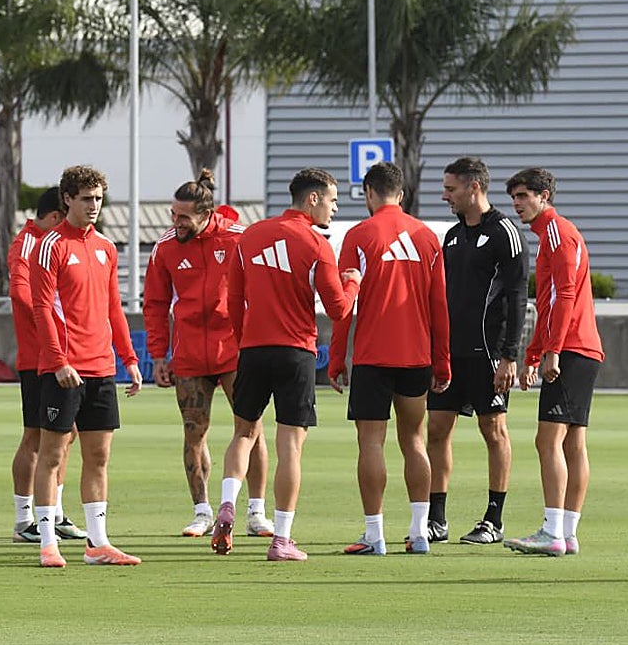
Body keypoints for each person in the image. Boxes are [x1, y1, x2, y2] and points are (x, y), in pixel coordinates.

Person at [213, 168, 361, 561]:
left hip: (254, 349)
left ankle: (227, 503)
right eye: (331, 200)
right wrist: (353, 282)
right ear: (312, 199)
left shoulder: (250, 237)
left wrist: (246, 339)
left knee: (244, 432)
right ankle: (281, 538)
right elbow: (339, 309)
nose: (334, 208)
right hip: (295, 350)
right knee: (290, 446)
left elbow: (233, 298)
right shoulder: (315, 244)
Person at [143, 169, 274, 539]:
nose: (176, 222)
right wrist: (157, 355)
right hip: (188, 356)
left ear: (206, 214)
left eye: (183, 216)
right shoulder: (166, 246)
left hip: (235, 353)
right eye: (173, 214)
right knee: (193, 433)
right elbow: (154, 304)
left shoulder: (238, 239)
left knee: (251, 431)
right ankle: (201, 511)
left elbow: (261, 291)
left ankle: (255, 512)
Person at [329, 161, 451, 556]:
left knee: (371, 443)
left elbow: (344, 304)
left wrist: (336, 357)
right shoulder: (428, 237)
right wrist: (442, 359)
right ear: (402, 194)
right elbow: (440, 306)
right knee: (415, 441)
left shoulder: (358, 236)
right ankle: (419, 533)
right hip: (416, 355)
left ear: (368, 193)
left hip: (372, 356)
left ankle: (374, 534)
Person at [30, 165, 143, 568]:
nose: (93, 206)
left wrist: (128, 358)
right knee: (53, 455)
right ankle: (47, 542)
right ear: (67, 200)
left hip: (101, 367)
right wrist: (58, 360)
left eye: (97, 198)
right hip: (64, 369)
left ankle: (97, 544)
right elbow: (41, 307)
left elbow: (114, 306)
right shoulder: (50, 246)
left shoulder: (107, 248)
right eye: (85, 198)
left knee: (98, 457)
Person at [503, 167, 603, 557]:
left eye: (524, 196)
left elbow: (563, 296)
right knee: (574, 443)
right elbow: (546, 302)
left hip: (572, 349)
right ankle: (568, 532)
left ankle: (552, 532)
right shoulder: (549, 237)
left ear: (544, 196)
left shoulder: (558, 234)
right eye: (514, 197)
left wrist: (552, 351)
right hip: (581, 348)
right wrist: (533, 352)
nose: (517, 204)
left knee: (549, 440)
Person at [433, 157, 528, 545]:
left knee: (494, 431)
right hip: (450, 354)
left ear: (474, 187)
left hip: (488, 354)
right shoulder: (453, 236)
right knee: (436, 430)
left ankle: (494, 519)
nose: (445, 196)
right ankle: (435, 519)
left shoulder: (505, 232)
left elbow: (519, 296)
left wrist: (510, 355)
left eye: (451, 189)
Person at [8, 186, 86, 543]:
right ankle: (25, 519)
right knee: (36, 437)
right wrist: (52, 328)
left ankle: (53, 511)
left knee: (64, 434)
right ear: (58, 215)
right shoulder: (29, 243)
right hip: (38, 356)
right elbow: (23, 296)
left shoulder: (59, 244)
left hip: (62, 355)